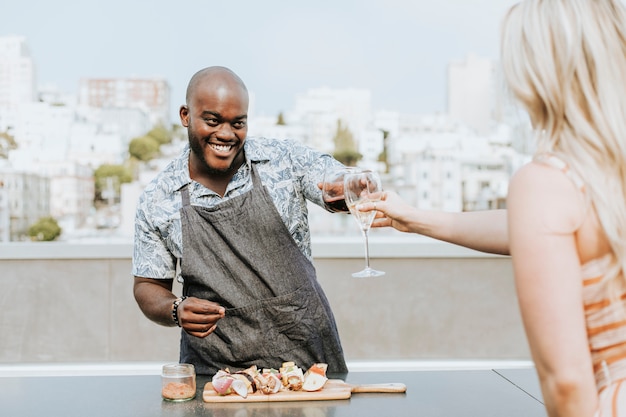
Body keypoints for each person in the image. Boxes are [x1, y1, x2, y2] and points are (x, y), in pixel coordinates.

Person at [363, 0, 626, 415]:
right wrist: (414, 219)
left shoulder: (546, 183)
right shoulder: (602, 177)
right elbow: (537, 231)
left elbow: (568, 383)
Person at [132, 66, 348, 376]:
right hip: (217, 372)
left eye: (238, 123)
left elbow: (334, 177)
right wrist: (175, 309)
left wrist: (346, 189)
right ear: (185, 115)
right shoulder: (157, 199)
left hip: (305, 363)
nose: (226, 134)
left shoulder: (284, 161)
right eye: (212, 121)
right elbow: (147, 285)